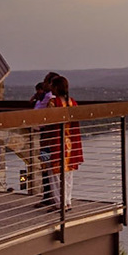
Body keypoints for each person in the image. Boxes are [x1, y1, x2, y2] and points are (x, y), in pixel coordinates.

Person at [35, 75, 81, 211]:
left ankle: (59, 203)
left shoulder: (54, 103)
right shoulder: (72, 102)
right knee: (68, 174)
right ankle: (67, 201)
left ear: (56, 87)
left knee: (54, 174)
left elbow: (48, 122)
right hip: (69, 142)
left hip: (55, 142)